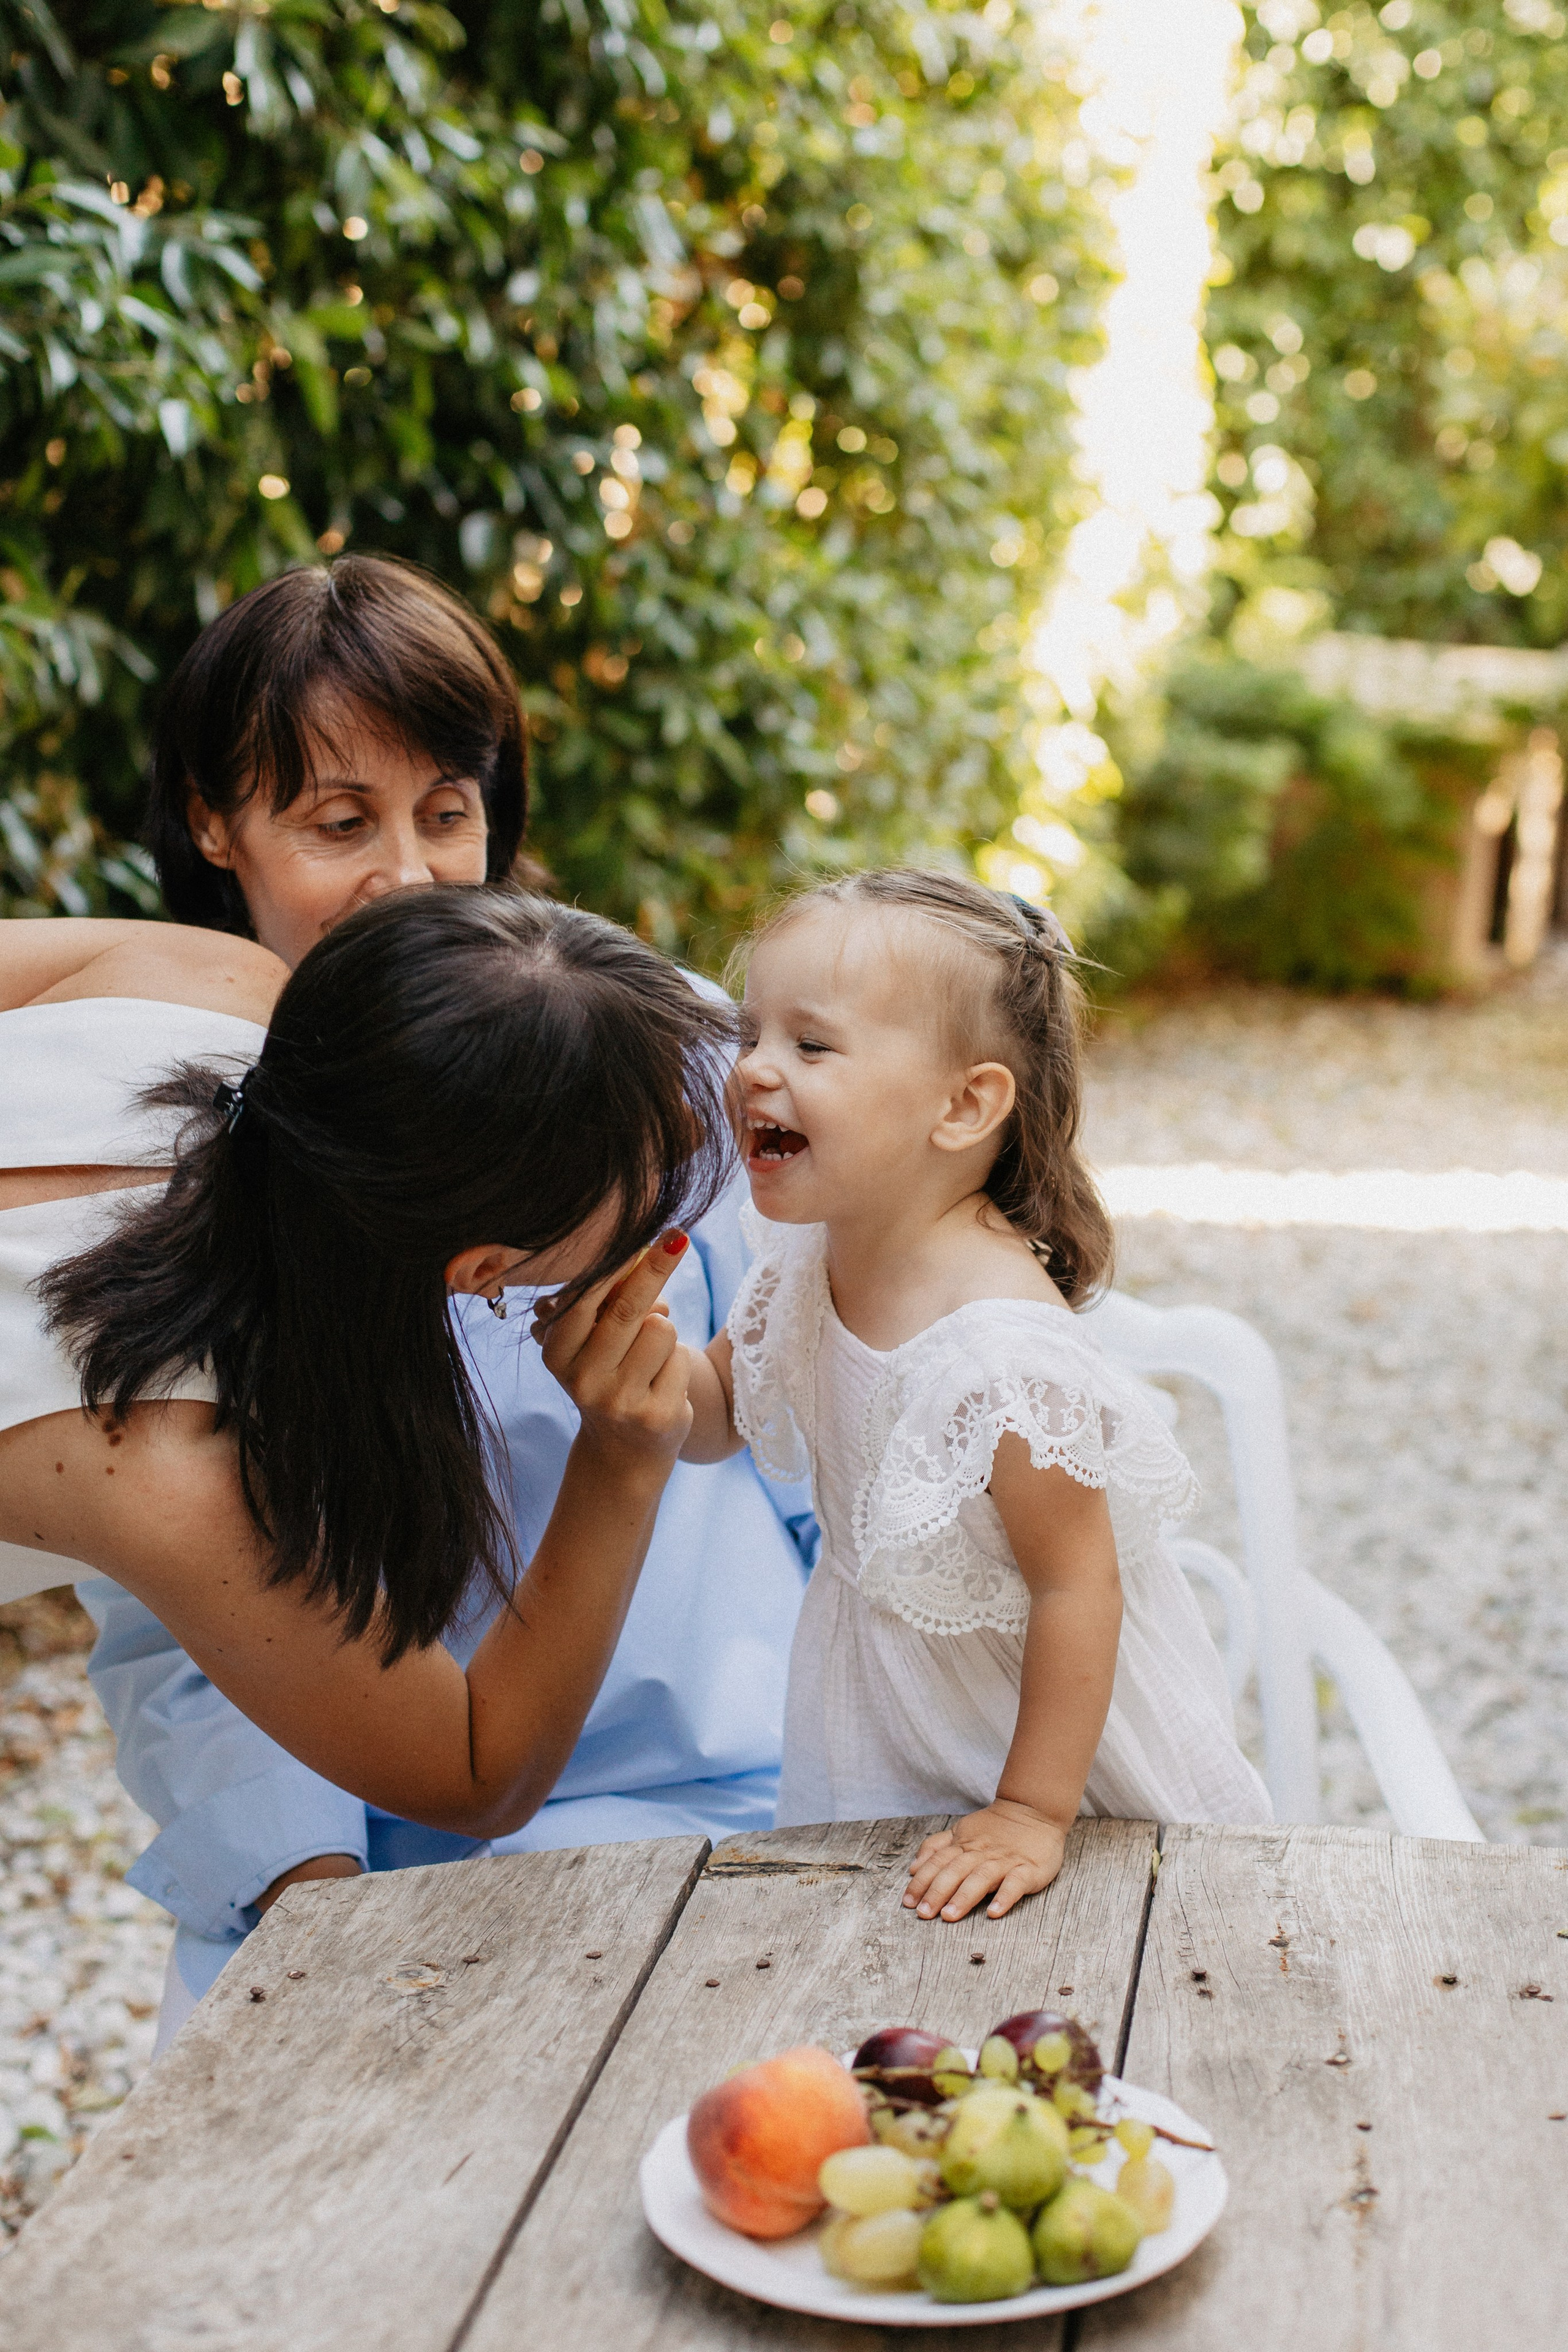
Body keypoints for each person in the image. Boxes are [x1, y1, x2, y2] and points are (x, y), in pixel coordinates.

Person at [64, 557, 810, 2022]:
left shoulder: (657, 1059)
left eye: (447, 812)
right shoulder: (151, 1141)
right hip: (384, 1831)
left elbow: (828, 1411)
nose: (406, 876)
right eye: (340, 824)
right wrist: (311, 1893)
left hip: (735, 1784)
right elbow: (180, 1609)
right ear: (214, 825)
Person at [0, 888, 742, 1867]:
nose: (690, 1138)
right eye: (648, 1166)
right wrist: (622, 1460)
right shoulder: (152, 1457)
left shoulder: (205, 978)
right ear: (482, 1270)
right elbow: (476, 1774)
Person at [678, 868, 1271, 1926]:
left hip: (1051, 1752)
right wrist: (628, 1356)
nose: (755, 1069)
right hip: (891, 1715)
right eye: (751, 1033)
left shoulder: (1001, 1352)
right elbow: (712, 1414)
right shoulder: (808, 1259)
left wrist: (1031, 1812)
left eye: (811, 1045)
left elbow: (1078, 1589)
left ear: (964, 1105)